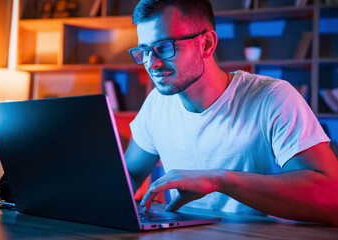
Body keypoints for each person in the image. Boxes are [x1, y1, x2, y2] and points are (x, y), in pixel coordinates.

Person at [125, 0, 338, 226]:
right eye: (144, 51)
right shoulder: (157, 104)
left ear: (206, 44)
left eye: (164, 47)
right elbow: (128, 177)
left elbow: (332, 199)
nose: (151, 63)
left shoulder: (272, 97)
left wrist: (219, 180)